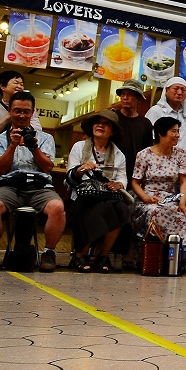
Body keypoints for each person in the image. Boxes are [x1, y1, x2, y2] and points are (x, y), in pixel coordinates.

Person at [0, 91, 64, 272]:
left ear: (32, 113)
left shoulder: (45, 138)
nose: (22, 115)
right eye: (17, 110)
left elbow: (47, 167)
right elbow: (1, 169)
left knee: (57, 207)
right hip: (9, 186)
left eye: (26, 111)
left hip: (39, 187)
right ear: (9, 111)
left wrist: (34, 148)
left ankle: (49, 252)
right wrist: (12, 146)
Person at [66, 110, 131, 273]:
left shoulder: (118, 154)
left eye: (106, 123)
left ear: (113, 131)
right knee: (101, 208)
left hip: (107, 195)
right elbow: (69, 178)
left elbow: (123, 178)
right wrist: (80, 169)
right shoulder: (79, 147)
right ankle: (81, 254)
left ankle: (103, 255)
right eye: (97, 122)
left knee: (122, 209)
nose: (100, 125)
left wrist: (118, 184)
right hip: (82, 196)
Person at [131, 117, 186, 255]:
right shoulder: (144, 155)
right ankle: (154, 253)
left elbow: (183, 182)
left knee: (183, 216)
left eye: (178, 131)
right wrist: (146, 198)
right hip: (148, 198)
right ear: (160, 133)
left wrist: (182, 203)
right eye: (173, 131)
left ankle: (174, 255)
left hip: (170, 199)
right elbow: (135, 183)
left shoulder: (180, 155)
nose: (177, 135)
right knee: (154, 212)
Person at [114, 79, 155, 184]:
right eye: (123, 94)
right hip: (113, 171)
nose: (125, 98)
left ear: (138, 99)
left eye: (130, 95)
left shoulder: (145, 123)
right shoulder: (113, 118)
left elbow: (147, 152)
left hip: (134, 174)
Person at [0, 70, 42, 140]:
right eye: (16, 83)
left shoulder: (27, 107)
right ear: (2, 86)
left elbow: (38, 130)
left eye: (22, 84)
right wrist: (8, 115)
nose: (19, 86)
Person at [145, 77, 186, 152]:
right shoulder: (156, 111)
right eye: (176, 89)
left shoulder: (183, 115)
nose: (179, 92)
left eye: (183, 90)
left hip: (179, 160)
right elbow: (149, 138)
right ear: (166, 90)